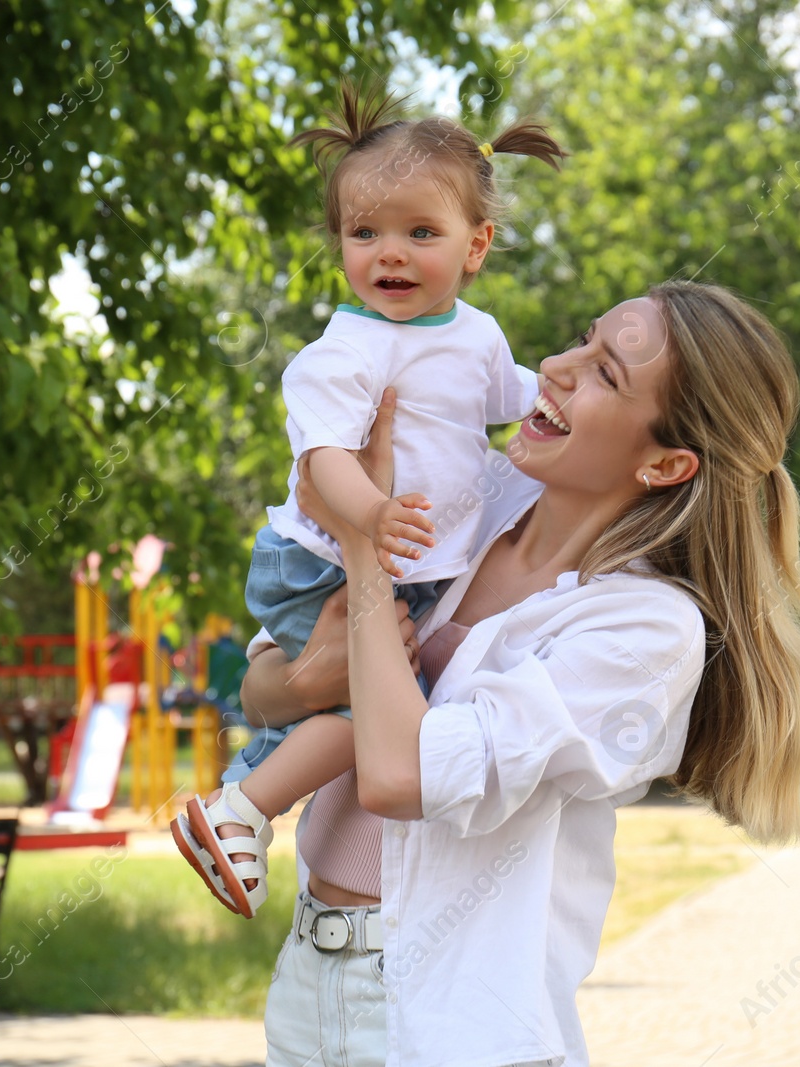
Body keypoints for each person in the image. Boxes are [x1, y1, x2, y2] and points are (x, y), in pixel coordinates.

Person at [241, 281, 800, 1066]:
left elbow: (400, 775)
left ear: (666, 461)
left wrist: (364, 545)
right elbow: (261, 689)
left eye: (605, 374)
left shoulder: (646, 629)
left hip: (444, 1018)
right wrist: (319, 670)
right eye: (584, 341)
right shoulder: (469, 493)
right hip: (307, 973)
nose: (556, 365)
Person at [171, 84, 567, 919]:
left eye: (420, 232)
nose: (390, 252)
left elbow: (515, 398)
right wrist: (370, 518)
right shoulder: (345, 351)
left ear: (477, 246)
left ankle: (244, 799)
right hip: (320, 557)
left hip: (399, 560)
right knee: (372, 709)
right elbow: (322, 460)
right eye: (365, 233)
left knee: (367, 701)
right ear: (340, 242)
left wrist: (575, 399)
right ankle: (242, 809)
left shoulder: (478, 335)